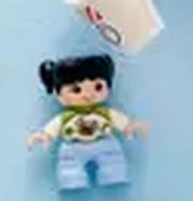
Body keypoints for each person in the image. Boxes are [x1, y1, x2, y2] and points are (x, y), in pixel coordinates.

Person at [28, 52, 145, 191]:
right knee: (69, 167)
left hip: (105, 143)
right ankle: (72, 181)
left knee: (113, 161)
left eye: (98, 87)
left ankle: (114, 176)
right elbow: (54, 127)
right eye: (76, 90)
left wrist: (129, 126)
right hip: (73, 147)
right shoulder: (65, 117)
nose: (88, 95)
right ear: (58, 93)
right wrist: (44, 135)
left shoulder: (105, 113)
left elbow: (119, 121)